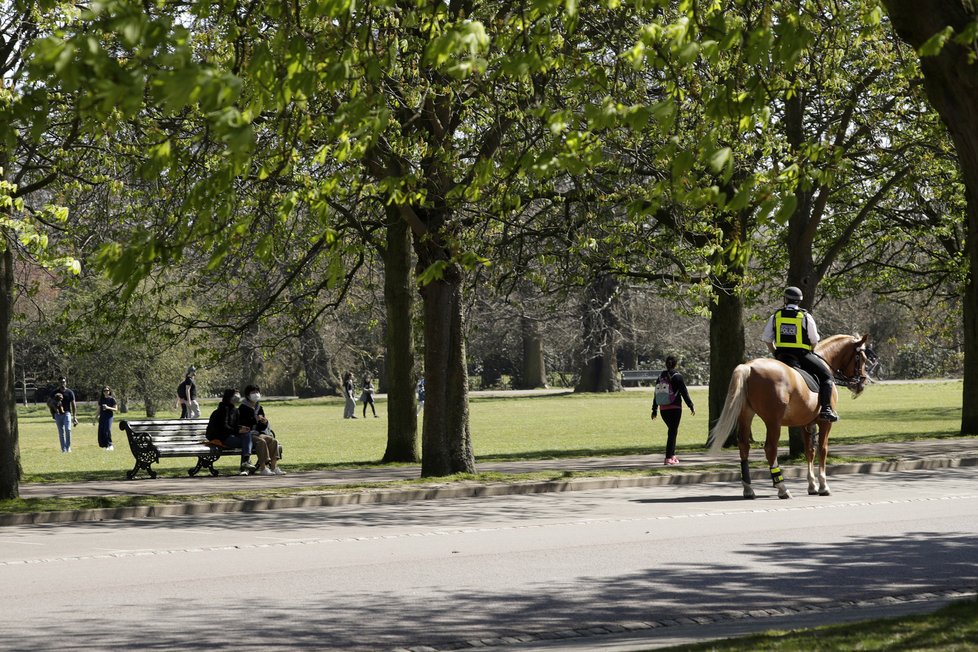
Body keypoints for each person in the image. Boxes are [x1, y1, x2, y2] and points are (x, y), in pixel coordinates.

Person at [761, 286, 839, 422]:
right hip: (802, 355)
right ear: (799, 301)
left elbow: (767, 339)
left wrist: (775, 353)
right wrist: (812, 350)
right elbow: (814, 339)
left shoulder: (776, 316)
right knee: (826, 376)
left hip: (782, 356)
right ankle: (826, 409)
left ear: (785, 300)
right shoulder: (805, 316)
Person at [650, 356, 695, 465]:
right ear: (675, 364)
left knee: (672, 431)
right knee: (672, 432)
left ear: (666, 364)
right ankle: (668, 458)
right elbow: (684, 392)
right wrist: (690, 405)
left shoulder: (661, 376)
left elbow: (656, 393)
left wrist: (654, 409)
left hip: (663, 409)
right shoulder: (678, 376)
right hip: (675, 408)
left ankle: (673, 455)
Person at [205, 388, 256, 475]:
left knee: (247, 435)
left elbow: (234, 426)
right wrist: (238, 431)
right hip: (221, 437)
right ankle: (245, 463)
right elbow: (223, 428)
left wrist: (242, 428)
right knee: (249, 443)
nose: (237, 396)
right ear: (229, 396)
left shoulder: (235, 410)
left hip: (230, 436)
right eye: (235, 394)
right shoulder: (223, 409)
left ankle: (245, 462)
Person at [239, 384, 285, 475]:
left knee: (273, 441)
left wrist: (264, 422)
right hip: (247, 434)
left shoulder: (259, 408)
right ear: (248, 395)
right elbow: (242, 423)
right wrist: (254, 420)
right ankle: (263, 468)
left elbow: (262, 427)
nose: (256, 394)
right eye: (253, 392)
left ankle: (273, 467)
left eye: (257, 392)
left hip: (258, 433)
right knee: (261, 442)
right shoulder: (243, 408)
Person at [49, 376, 78, 453]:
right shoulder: (54, 392)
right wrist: (54, 408)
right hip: (57, 414)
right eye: (61, 382)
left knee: (68, 429)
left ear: (66, 382)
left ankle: (68, 447)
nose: (62, 383)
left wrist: (74, 417)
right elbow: (49, 402)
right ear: (59, 383)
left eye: (64, 382)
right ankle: (63, 449)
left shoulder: (70, 392)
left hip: (67, 413)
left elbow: (73, 404)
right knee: (61, 432)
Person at [97, 386, 118, 451]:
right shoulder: (101, 400)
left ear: (109, 391)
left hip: (109, 417)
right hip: (102, 417)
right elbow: (98, 409)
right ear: (102, 392)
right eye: (104, 391)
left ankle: (110, 444)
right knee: (101, 431)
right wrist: (95, 417)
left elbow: (116, 409)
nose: (106, 392)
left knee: (107, 430)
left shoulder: (112, 399)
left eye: (107, 390)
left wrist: (108, 407)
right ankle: (105, 445)